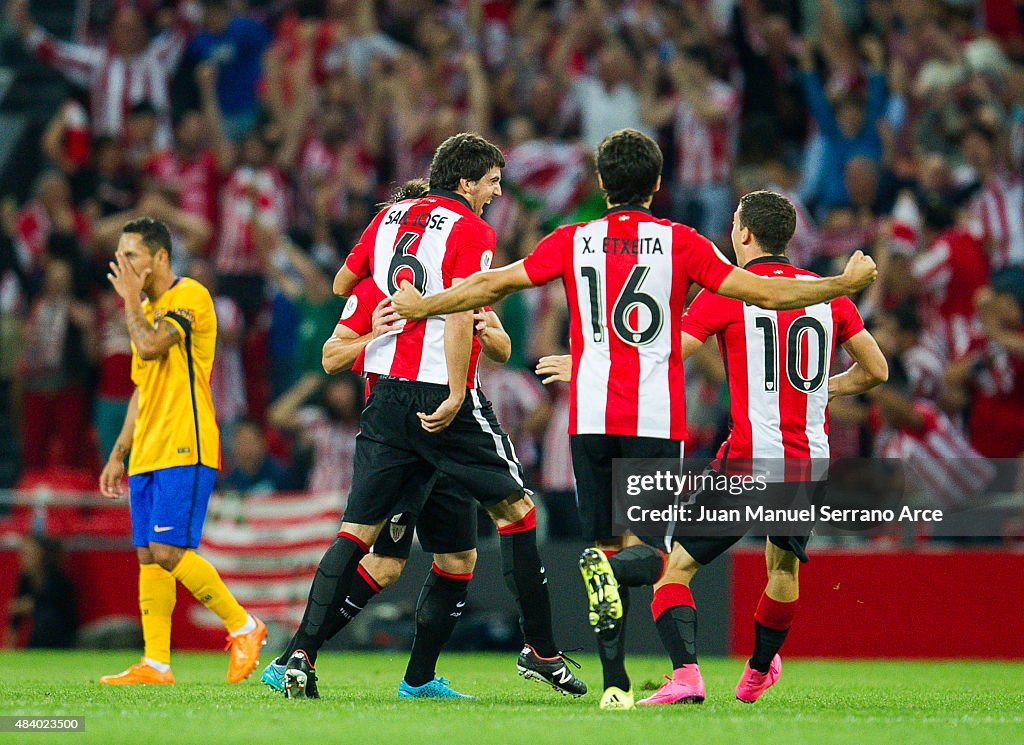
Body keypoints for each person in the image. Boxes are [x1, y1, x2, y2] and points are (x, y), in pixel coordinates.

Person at [391, 129, 878, 709]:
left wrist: (425, 304)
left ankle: (627, 680)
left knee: (632, 555)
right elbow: (781, 307)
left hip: (599, 417)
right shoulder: (685, 242)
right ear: (657, 185)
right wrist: (842, 290)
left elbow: (494, 282)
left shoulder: (574, 238)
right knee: (703, 561)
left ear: (601, 184)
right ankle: (731, 664)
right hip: (696, 428)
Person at [538, 190, 889, 705]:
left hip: (747, 460)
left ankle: (685, 675)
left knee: (673, 570)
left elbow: (666, 352)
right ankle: (758, 670)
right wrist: (823, 386)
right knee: (783, 568)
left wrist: (592, 366)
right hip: (807, 463)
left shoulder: (728, 292)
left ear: (743, 234)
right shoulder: (827, 295)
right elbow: (877, 370)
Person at [280, 135, 585, 699]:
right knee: (517, 511)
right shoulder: (472, 230)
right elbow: (466, 305)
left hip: (387, 399)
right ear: (466, 182)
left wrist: (383, 291)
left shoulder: (390, 217)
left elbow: (342, 283)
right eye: (493, 181)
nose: (497, 193)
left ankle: (304, 656)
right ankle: (541, 650)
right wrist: (452, 390)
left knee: (370, 537)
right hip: (441, 395)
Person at [262, 271, 508, 699]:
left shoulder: (459, 282)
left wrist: (490, 334)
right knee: (379, 556)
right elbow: (331, 357)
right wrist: (371, 337)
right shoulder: (375, 288)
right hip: (403, 439)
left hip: (451, 435)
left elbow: (502, 351)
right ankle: (294, 655)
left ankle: (417, 680)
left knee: (457, 558)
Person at [99, 217, 266, 685]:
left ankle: (244, 625)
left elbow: (152, 348)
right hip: (147, 450)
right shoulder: (145, 311)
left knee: (168, 550)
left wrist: (130, 302)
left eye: (131, 255)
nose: (124, 265)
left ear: (160, 258)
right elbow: (140, 387)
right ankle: (156, 662)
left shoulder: (189, 296)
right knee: (148, 556)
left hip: (185, 443)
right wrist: (118, 452)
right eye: (120, 256)